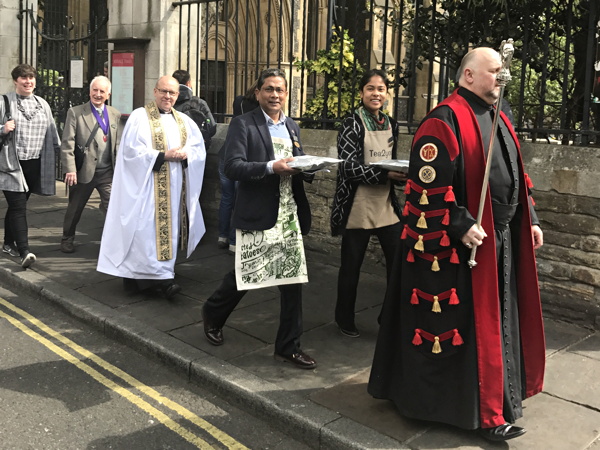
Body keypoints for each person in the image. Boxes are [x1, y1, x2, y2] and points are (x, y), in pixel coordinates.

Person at [368, 47, 546, 442]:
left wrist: (528, 218)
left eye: (503, 72)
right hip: (458, 249)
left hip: (499, 240)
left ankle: (502, 396)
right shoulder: (443, 120)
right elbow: (425, 187)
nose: (503, 78)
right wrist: (460, 223)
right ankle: (479, 412)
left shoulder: (501, 115)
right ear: (468, 76)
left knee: (499, 321)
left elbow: (517, 171)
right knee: (472, 330)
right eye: (495, 71)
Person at [201, 68, 317, 370]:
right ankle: (213, 312)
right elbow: (233, 166)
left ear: (286, 94)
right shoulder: (243, 124)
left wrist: (310, 167)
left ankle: (288, 347)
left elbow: (297, 159)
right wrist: (270, 167)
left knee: (293, 282)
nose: (275, 95)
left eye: (280, 90)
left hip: (288, 214)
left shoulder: (291, 126)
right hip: (259, 211)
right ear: (258, 93)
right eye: (269, 89)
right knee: (246, 276)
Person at [97, 76, 206, 299]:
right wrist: (163, 155)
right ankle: (148, 277)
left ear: (178, 95)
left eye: (173, 93)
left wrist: (187, 155)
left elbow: (198, 149)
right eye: (164, 91)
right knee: (143, 232)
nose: (168, 96)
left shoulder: (184, 121)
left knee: (167, 231)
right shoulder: (140, 117)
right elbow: (130, 153)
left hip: (173, 188)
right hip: (145, 187)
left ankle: (163, 275)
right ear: (155, 91)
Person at [330, 69, 406, 338]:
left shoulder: (391, 123)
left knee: (399, 265)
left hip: (386, 205)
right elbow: (349, 168)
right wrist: (386, 174)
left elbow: (392, 160)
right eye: (371, 89)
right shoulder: (350, 122)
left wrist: (400, 176)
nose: (376, 93)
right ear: (362, 93)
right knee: (351, 267)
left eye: (381, 89)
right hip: (357, 205)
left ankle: (389, 316)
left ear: (387, 94)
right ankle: (344, 318)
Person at [0, 64, 59, 269]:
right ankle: (24, 251)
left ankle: (8, 243)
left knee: (17, 205)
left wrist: (59, 158)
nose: (28, 81)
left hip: (34, 164)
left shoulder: (43, 104)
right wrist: (3, 128)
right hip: (10, 165)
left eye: (31, 78)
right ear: (15, 80)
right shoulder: (4, 101)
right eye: (23, 78)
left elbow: (52, 133)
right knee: (19, 207)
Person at [60, 76, 122, 253]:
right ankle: (67, 238)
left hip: (107, 172)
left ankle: (113, 241)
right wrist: (70, 170)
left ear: (108, 94)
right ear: (89, 91)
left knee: (112, 207)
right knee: (75, 208)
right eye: (95, 90)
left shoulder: (115, 114)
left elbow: (118, 143)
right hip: (83, 171)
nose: (98, 94)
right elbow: (67, 143)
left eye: (102, 91)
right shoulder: (76, 112)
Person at [218, 81, 260, 252]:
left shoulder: (239, 101)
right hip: (243, 157)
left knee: (227, 198)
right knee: (239, 199)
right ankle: (235, 242)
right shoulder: (260, 109)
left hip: (225, 153)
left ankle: (222, 236)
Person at [172, 69, 216, 149]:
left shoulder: (168, 103)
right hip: (196, 146)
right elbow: (212, 127)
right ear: (188, 83)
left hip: (173, 146)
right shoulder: (199, 102)